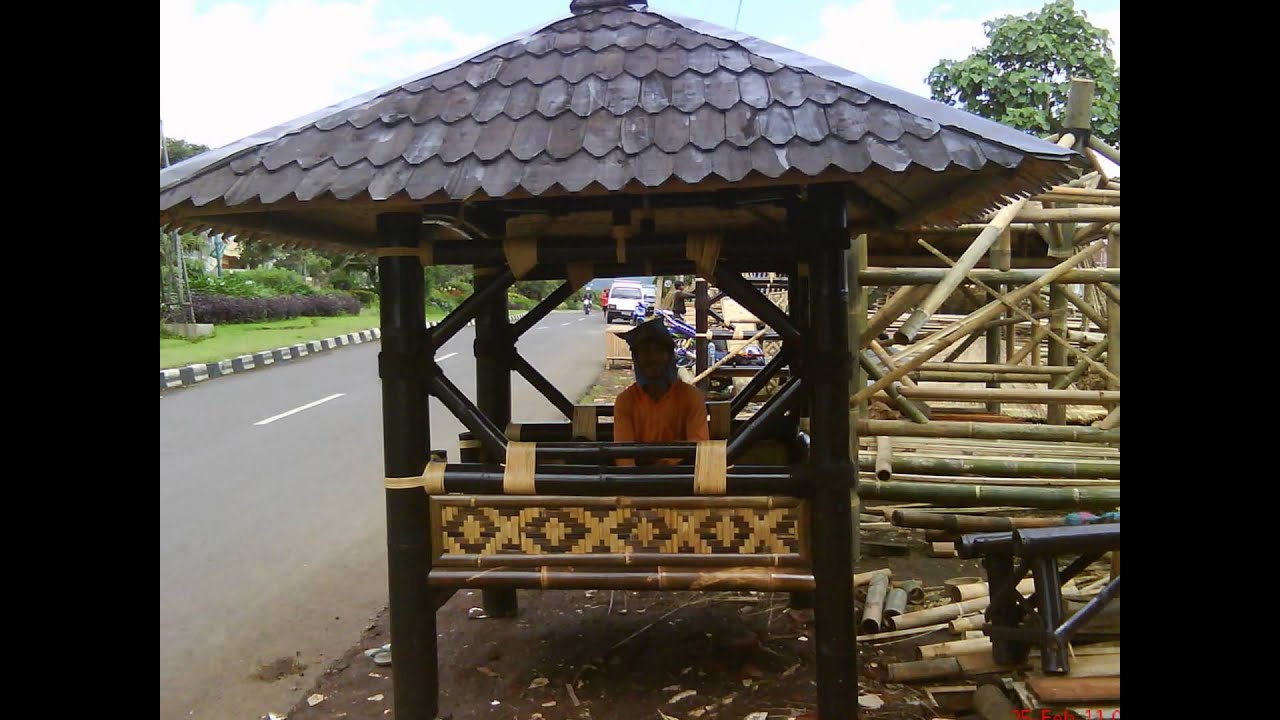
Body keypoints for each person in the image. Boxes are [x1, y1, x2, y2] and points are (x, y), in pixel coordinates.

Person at [613, 318, 709, 466]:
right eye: (645, 352)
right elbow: (624, 459)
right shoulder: (625, 401)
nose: (653, 358)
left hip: (681, 475)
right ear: (636, 359)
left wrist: (666, 466)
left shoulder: (691, 397)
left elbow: (699, 450)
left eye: (658, 350)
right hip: (638, 476)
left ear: (669, 355)